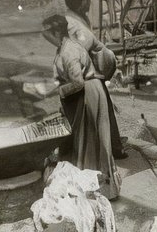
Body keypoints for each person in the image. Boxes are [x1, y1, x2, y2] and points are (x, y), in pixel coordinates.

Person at [41, 14, 120, 200]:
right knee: (86, 141)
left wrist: (58, 91)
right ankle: (89, 186)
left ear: (55, 32)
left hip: (89, 92)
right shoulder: (62, 48)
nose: (45, 38)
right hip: (84, 93)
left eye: (47, 34)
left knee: (92, 140)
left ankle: (99, 189)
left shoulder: (69, 51)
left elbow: (77, 82)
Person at [64, 0, 125, 158]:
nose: (89, 2)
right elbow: (83, 50)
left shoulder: (74, 18)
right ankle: (106, 150)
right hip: (85, 78)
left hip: (86, 75)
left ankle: (108, 147)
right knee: (96, 116)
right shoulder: (74, 25)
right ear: (82, 0)